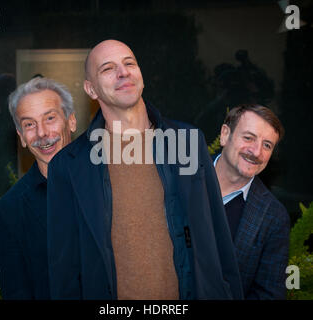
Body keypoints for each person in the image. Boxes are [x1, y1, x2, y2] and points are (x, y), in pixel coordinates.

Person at [47, 39, 243, 300]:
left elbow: (218, 238)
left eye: (130, 63)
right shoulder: (69, 165)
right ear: (90, 89)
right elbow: (64, 270)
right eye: (108, 68)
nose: (123, 72)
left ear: (141, 75)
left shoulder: (187, 142)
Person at [0, 77, 77, 299]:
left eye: (50, 118)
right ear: (21, 137)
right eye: (29, 124)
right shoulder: (9, 211)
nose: (42, 133)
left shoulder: (108, 186)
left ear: (71, 121)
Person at [214, 104, 290, 299]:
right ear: (225, 135)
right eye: (248, 138)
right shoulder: (178, 179)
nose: (256, 152)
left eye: (267, 145)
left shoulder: (274, 217)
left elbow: (268, 295)